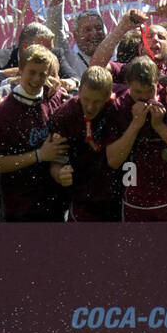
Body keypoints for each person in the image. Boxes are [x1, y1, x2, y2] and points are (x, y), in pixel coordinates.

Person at [105, 58, 167, 221]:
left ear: (158, 82)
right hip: (136, 201)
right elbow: (113, 160)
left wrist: (161, 128)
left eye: (149, 91)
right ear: (128, 84)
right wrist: (135, 125)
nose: (143, 98)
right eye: (137, 93)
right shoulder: (120, 105)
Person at [0, 46, 70, 221]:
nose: (37, 79)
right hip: (19, 210)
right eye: (31, 72)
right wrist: (39, 155)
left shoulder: (56, 99)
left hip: (56, 207)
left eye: (43, 74)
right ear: (20, 71)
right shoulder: (2, 113)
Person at [47, 66, 121, 221]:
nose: (89, 107)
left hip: (117, 198)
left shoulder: (118, 109)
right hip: (82, 200)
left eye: (97, 101)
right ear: (79, 90)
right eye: (86, 99)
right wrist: (60, 175)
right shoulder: (65, 115)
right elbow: (55, 162)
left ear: (108, 96)